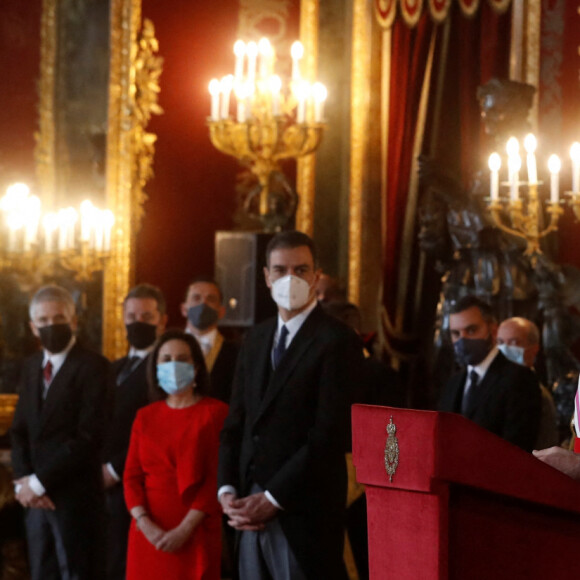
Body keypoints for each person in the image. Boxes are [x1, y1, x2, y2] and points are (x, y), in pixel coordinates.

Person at [218, 230, 364, 580]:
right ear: (266, 277)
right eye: (280, 270)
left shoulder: (338, 340)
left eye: (301, 270)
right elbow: (236, 421)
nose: (290, 279)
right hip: (247, 507)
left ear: (316, 276)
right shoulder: (255, 338)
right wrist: (227, 490)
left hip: (303, 509)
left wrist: (273, 497)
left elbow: (329, 434)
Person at [10, 285, 113, 580]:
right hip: (35, 502)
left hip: (75, 503)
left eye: (58, 318)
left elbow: (89, 437)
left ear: (74, 321)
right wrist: (23, 483)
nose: (50, 326)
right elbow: (19, 430)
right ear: (33, 327)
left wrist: (40, 483)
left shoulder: (95, 367)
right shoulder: (31, 367)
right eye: (43, 321)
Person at [123, 329, 228, 580]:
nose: (174, 365)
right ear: (156, 367)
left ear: (197, 367)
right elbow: (131, 477)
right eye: (166, 359)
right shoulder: (145, 416)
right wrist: (145, 524)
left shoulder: (216, 413)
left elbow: (216, 477)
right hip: (147, 533)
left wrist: (185, 530)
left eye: (182, 359)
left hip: (196, 530)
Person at [102, 283, 167, 579]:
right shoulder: (111, 369)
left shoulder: (164, 370)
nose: (137, 323)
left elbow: (158, 429)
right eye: (131, 316)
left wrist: (115, 469)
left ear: (161, 320)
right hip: (99, 486)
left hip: (137, 486)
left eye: (146, 316)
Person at [439, 296, 541, 452]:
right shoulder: (454, 383)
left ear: (493, 331)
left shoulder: (520, 379)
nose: (462, 340)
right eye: (456, 333)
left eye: (471, 330)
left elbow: (517, 449)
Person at [497, 317, 558, 449]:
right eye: (500, 342)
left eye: (514, 342)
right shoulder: (495, 387)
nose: (504, 349)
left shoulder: (536, 393)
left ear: (534, 349)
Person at [181, 276, 239, 403]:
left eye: (211, 299)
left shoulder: (237, 353)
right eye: (196, 298)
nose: (203, 304)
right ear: (184, 309)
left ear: (221, 311)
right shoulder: (166, 348)